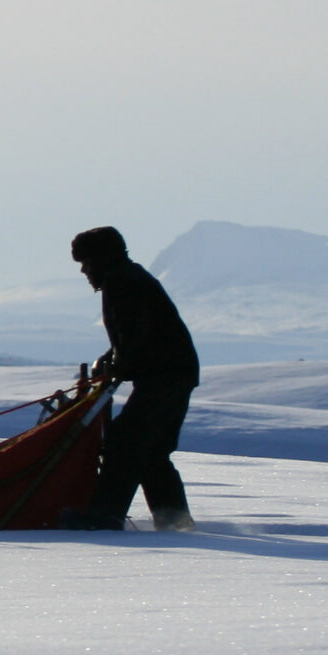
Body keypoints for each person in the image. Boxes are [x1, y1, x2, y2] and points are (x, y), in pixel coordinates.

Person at [60, 225, 199, 531]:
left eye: (86, 263)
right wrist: (112, 360)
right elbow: (134, 336)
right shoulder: (129, 277)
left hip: (165, 375)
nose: (83, 271)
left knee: (125, 441)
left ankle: (105, 515)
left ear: (102, 258)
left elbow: (135, 335)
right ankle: (175, 521)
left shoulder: (122, 282)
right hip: (175, 372)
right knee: (151, 451)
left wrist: (118, 367)